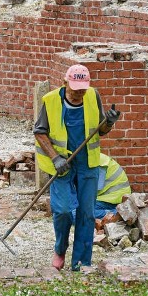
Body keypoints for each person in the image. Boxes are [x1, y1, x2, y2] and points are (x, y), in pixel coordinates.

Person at [34, 64, 120, 271]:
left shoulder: (92, 96)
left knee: (87, 213)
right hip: (61, 164)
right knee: (62, 210)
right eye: (75, 90)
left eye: (82, 89)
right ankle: (60, 248)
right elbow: (39, 132)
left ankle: (81, 262)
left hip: (87, 163)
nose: (79, 94)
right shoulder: (51, 100)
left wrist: (109, 122)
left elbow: (101, 130)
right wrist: (55, 158)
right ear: (65, 84)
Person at [71, 153, 132, 221]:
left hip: (113, 199)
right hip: (107, 197)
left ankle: (114, 215)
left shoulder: (97, 163)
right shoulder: (91, 159)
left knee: (74, 213)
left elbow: (92, 189)